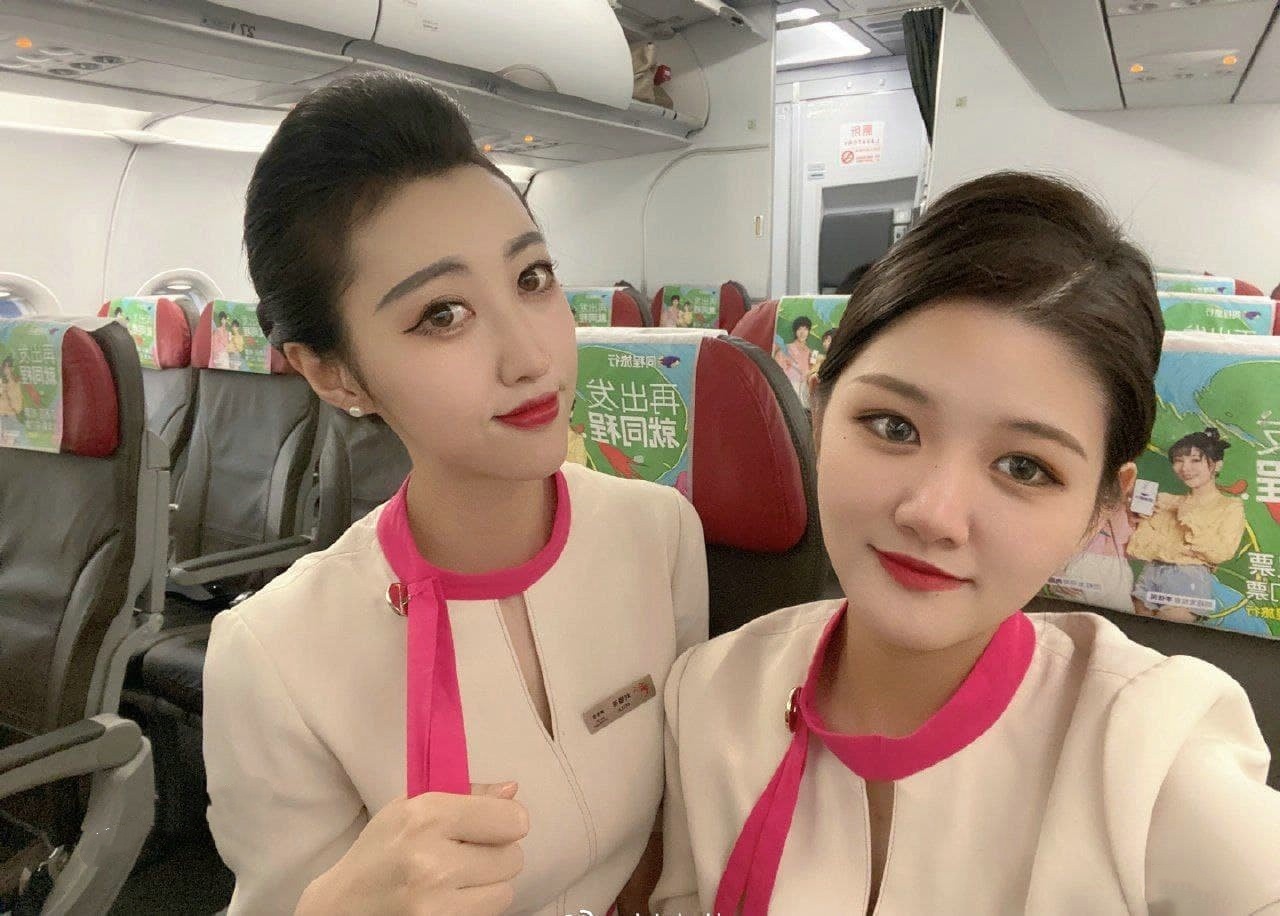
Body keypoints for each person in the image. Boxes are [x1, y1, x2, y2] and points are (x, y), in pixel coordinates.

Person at [653, 172, 1280, 915]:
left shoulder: (1150, 758)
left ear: (1098, 510)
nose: (934, 515)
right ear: (819, 414)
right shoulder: (708, 694)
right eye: (893, 426)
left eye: (1025, 468)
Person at [202, 72, 708, 916]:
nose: (530, 356)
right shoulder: (273, 657)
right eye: (443, 314)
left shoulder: (658, 533)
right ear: (332, 373)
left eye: (533, 278)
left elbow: (679, 822)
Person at [1128, 427, 1246, 624]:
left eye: (1195, 460)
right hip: (1150, 574)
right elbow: (1139, 547)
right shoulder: (1164, 500)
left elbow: (1221, 551)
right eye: (1178, 460)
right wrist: (1136, 519)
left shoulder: (1230, 506)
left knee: (1168, 637)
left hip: (1188, 578)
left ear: (1216, 465)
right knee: (1138, 635)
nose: (1185, 468)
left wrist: (1185, 517)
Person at [773, 315, 814, 403]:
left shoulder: (811, 353)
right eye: (799, 329)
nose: (802, 332)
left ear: (809, 331)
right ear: (795, 331)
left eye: (805, 329)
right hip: (789, 389)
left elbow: (811, 372)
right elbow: (777, 371)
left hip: (805, 392)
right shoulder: (786, 349)